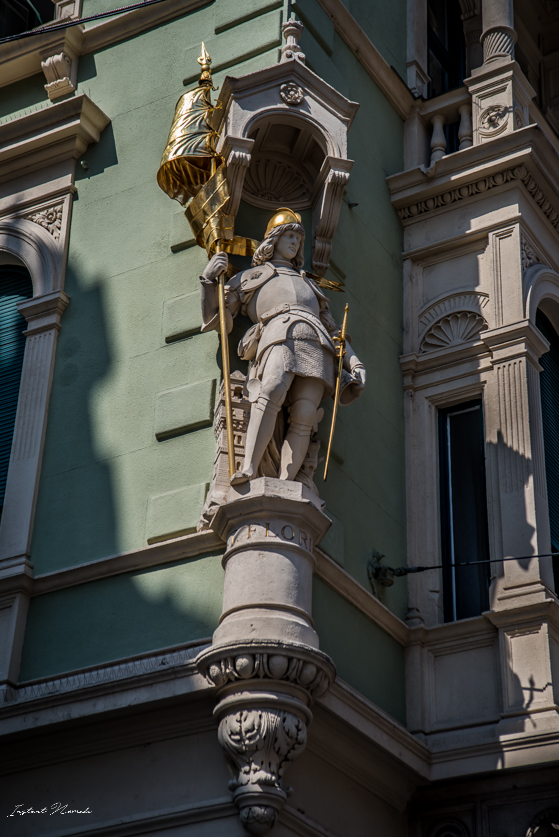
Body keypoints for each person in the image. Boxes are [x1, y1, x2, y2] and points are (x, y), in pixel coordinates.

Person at [200, 207, 366, 485]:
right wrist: (208, 281)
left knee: (305, 414)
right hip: (278, 333)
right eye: (289, 236)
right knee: (271, 391)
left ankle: (287, 482)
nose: (294, 243)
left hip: (317, 342)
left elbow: (333, 331)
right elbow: (220, 320)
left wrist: (354, 362)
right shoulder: (250, 277)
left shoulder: (309, 284)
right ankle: (250, 467)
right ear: (273, 239)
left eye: (298, 239)